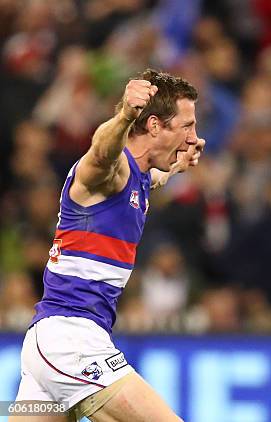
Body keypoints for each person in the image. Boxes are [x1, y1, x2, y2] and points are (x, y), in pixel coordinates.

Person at [11, 69, 205, 422]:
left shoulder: (139, 177)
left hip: (50, 344)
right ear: (155, 126)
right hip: (71, 341)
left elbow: (151, 178)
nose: (194, 137)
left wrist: (178, 165)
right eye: (187, 126)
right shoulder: (108, 172)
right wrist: (125, 114)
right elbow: (101, 151)